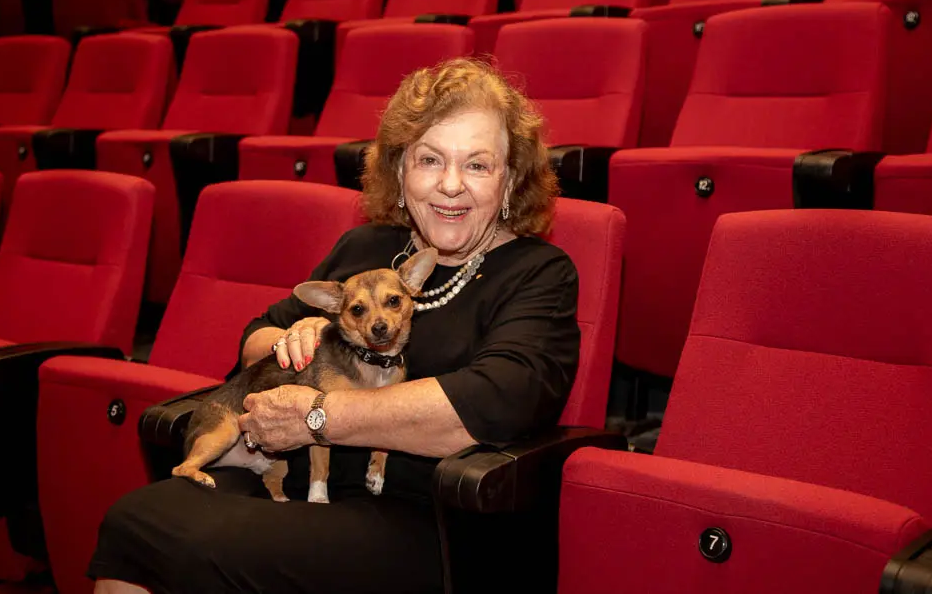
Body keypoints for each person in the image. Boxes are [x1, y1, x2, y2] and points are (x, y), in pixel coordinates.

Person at [90, 58, 581, 594]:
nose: (450, 185)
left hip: (423, 515)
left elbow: (488, 404)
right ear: (399, 172)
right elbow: (257, 338)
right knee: (133, 519)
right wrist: (290, 340)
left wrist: (318, 417)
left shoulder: (539, 273)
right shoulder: (365, 248)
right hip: (287, 474)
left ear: (510, 180)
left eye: (479, 165)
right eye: (430, 159)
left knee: (166, 539)